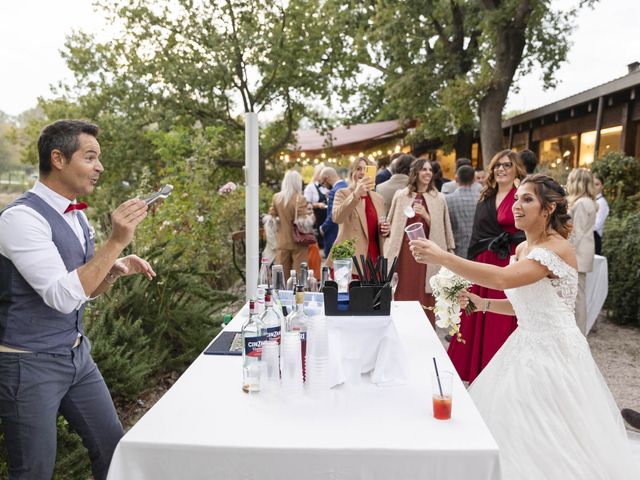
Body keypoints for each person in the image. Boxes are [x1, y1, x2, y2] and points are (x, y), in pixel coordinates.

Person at [409, 174, 638, 479]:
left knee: (549, 434)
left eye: (527, 199)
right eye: (516, 198)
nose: (516, 205)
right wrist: (484, 303)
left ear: (549, 209)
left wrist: (442, 257)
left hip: (553, 353)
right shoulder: (521, 251)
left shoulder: (555, 250)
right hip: (524, 343)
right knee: (509, 426)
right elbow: (527, 305)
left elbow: (502, 280)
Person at [0, 120, 156, 479]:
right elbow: (61, 296)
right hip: (28, 364)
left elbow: (84, 289)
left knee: (113, 449)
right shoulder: (20, 219)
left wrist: (113, 269)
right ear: (58, 158)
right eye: (90, 157)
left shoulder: (77, 214)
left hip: (76, 355)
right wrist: (116, 241)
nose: (99, 167)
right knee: (33, 471)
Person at [447, 150, 527, 383]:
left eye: (506, 165)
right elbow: (477, 233)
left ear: (516, 169)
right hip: (483, 261)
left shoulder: (520, 195)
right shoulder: (486, 195)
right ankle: (475, 372)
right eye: (497, 165)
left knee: (499, 319)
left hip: (508, 263)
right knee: (476, 315)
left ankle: (498, 374)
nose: (501, 169)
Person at [383, 158, 455, 326]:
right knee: (405, 288)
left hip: (427, 253)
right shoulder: (401, 196)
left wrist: (425, 215)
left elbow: (442, 229)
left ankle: (426, 328)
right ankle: (402, 326)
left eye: (430, 170)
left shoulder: (439, 198)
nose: (428, 173)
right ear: (415, 172)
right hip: (405, 253)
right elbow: (392, 223)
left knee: (426, 290)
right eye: (424, 169)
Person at [330, 157, 386, 274]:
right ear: (352, 173)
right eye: (358, 169)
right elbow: (337, 218)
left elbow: (380, 226)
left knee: (374, 292)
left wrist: (386, 230)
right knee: (351, 291)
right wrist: (356, 194)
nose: (362, 172)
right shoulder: (343, 193)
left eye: (366, 169)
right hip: (351, 257)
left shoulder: (378, 198)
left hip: (374, 257)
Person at [566, 168, 597, 336]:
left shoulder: (582, 203)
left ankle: (579, 334)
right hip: (580, 254)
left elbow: (575, 232)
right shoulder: (586, 202)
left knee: (577, 298)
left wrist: (564, 251)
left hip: (578, 255)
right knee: (577, 296)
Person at [269, 170, 310, 281]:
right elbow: (304, 222)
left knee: (281, 278)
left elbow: (271, 218)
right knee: (300, 278)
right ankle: (299, 298)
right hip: (299, 242)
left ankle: (282, 298)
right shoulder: (300, 198)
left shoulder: (276, 198)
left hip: (282, 242)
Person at [445, 165, 480, 258]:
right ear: (474, 180)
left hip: (456, 250)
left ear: (456, 179)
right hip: (479, 249)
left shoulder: (447, 200)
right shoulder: (481, 199)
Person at [318, 167, 347, 258]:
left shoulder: (334, 191)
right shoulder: (346, 186)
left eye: (323, 183)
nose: (324, 186)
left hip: (334, 235)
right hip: (346, 233)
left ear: (327, 178)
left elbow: (332, 215)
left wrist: (323, 228)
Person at [303, 163, 328, 250]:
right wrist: (317, 205)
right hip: (316, 220)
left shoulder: (328, 186)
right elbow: (306, 203)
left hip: (327, 218)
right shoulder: (310, 187)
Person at [593, 172, 609, 255]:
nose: (594, 187)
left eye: (597, 184)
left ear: (602, 186)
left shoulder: (602, 203)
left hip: (594, 240)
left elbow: (597, 225)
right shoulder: (589, 200)